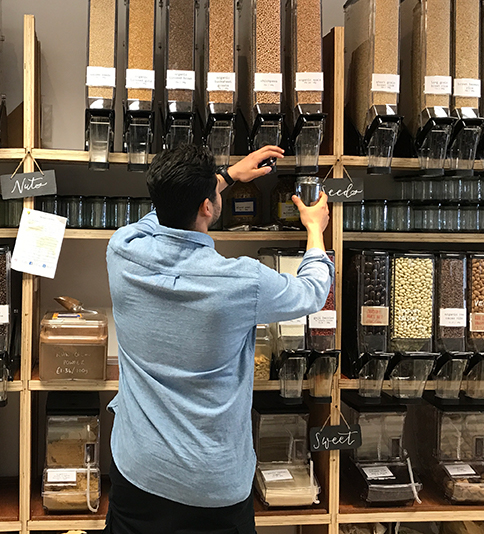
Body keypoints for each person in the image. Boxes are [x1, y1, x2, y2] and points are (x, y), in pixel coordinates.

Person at [103, 143, 333, 533]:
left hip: (139, 471)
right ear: (208, 207)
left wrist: (224, 178)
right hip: (212, 485)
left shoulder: (122, 250)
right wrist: (314, 229)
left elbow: (158, 215)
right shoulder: (243, 281)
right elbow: (312, 290)